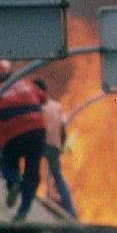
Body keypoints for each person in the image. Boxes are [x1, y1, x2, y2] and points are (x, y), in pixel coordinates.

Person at [0, 60, 47, 221]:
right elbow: (43, 99)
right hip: (37, 130)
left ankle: (13, 182)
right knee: (32, 172)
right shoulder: (26, 84)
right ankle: (23, 211)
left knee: (8, 163)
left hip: (12, 134)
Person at [32, 78, 76, 216]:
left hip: (38, 144)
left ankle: (31, 205)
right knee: (57, 176)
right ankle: (71, 211)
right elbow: (63, 128)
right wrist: (61, 144)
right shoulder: (57, 107)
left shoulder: (34, 107)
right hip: (54, 145)